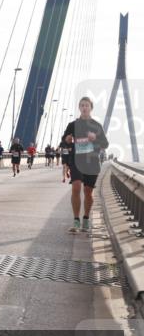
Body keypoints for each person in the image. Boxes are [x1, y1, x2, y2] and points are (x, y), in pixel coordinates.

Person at [63, 96, 109, 233]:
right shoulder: (72, 125)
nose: (84, 107)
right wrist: (67, 139)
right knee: (76, 187)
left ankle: (86, 219)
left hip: (92, 162)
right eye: (82, 105)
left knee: (88, 192)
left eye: (87, 105)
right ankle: (76, 221)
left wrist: (95, 139)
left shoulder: (96, 125)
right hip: (76, 161)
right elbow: (64, 141)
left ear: (91, 108)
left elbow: (105, 144)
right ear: (79, 108)